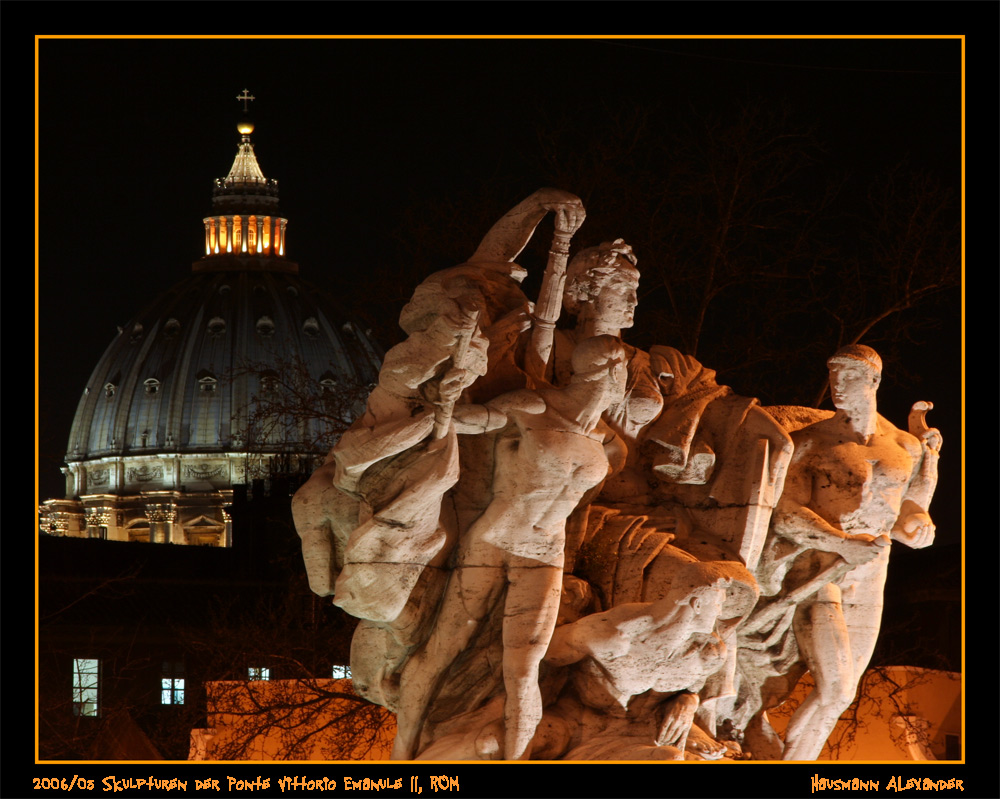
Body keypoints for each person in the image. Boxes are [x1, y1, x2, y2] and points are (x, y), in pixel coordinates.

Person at [391, 335, 628, 761]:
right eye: (620, 373)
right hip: (496, 537)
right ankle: (402, 752)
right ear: (610, 373)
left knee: (524, 670)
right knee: (445, 648)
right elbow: (469, 421)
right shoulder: (534, 406)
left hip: (545, 552)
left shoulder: (610, 441)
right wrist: (443, 405)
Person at [743, 344, 940, 760]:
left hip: (871, 574)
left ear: (873, 381)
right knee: (834, 685)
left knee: (843, 695)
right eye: (833, 375)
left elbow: (905, 510)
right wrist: (842, 543)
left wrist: (919, 525)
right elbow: (785, 515)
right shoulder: (808, 443)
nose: (837, 385)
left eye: (848, 376)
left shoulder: (904, 447)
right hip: (819, 568)